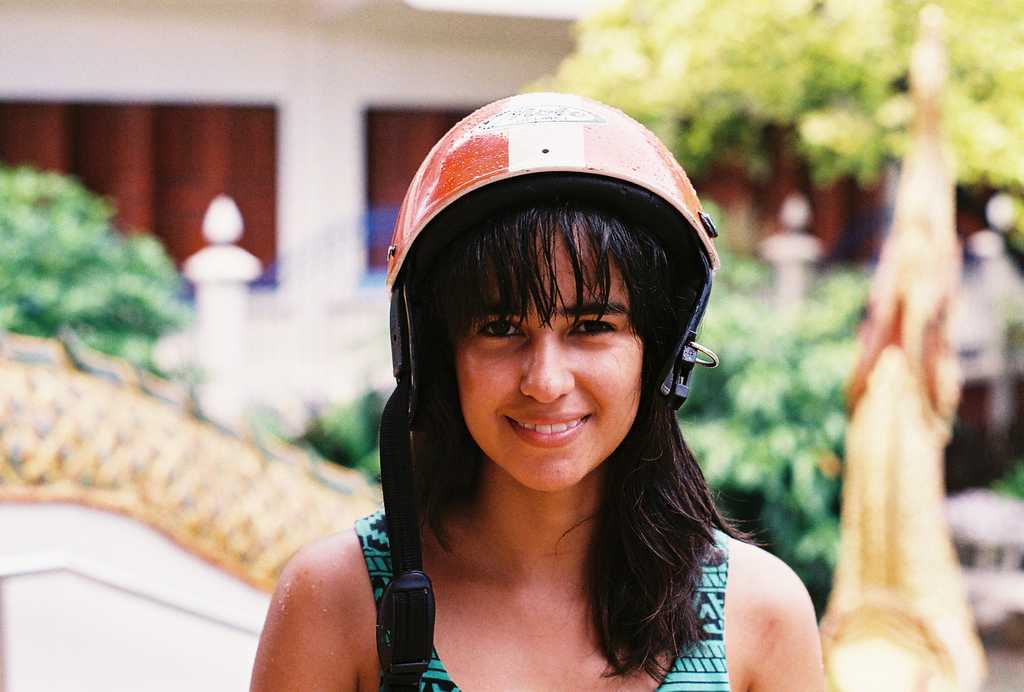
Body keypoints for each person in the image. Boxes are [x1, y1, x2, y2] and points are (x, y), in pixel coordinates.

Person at [250, 93, 824, 691]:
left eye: (592, 327)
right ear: (437, 357)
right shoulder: (339, 603)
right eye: (499, 329)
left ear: (659, 351)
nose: (546, 382)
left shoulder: (757, 613)